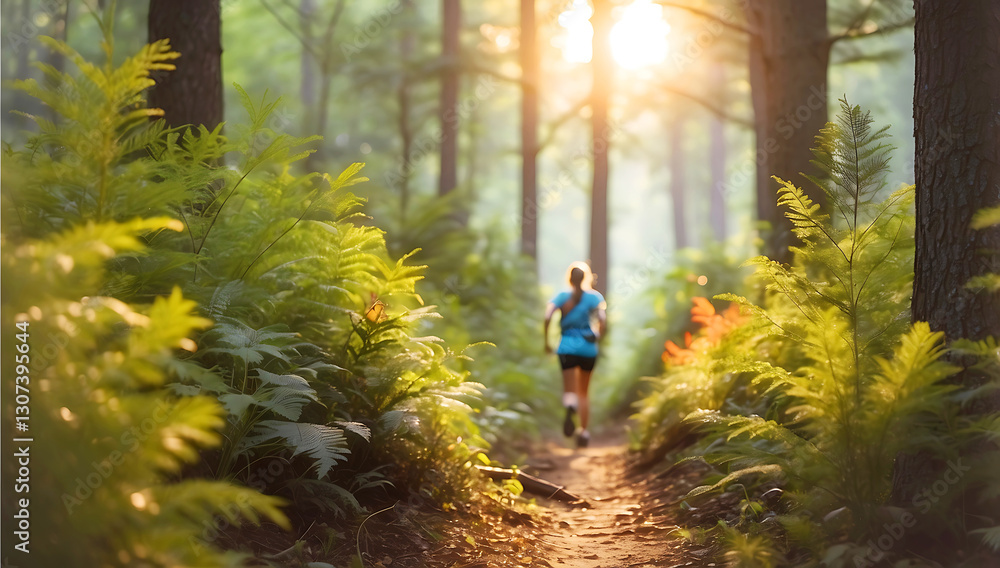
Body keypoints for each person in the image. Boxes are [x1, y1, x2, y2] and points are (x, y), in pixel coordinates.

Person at [543, 262, 607, 448]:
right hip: (588, 348)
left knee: (570, 389)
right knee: (584, 393)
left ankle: (570, 404)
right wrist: (598, 335)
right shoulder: (595, 298)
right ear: (586, 277)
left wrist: (547, 341)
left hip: (567, 348)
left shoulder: (562, 296)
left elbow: (547, 316)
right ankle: (584, 432)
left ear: (569, 279)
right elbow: (602, 320)